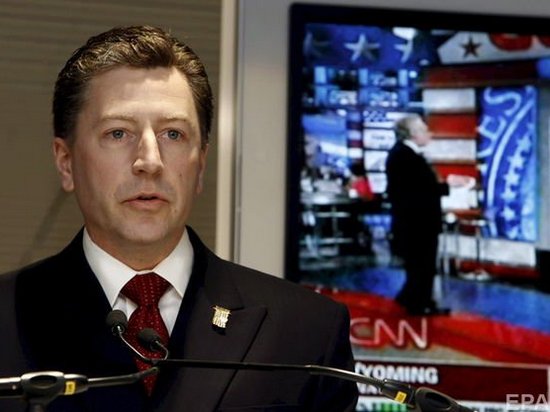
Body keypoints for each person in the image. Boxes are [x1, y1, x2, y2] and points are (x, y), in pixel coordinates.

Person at [0, 26, 358, 411]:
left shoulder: (306, 331)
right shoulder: (8, 316)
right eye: (118, 133)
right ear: (66, 162)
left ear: (201, 164)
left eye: (173, 134)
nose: (150, 161)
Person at [385, 114, 469, 316]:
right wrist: (448, 185)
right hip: (417, 223)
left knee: (419, 264)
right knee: (422, 264)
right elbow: (419, 190)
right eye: (424, 130)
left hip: (416, 221)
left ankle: (410, 298)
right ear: (413, 134)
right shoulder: (405, 156)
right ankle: (420, 304)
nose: (429, 134)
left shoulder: (404, 154)